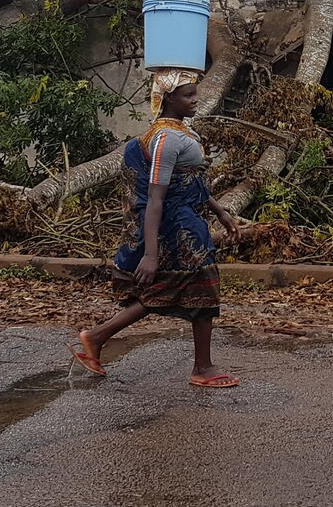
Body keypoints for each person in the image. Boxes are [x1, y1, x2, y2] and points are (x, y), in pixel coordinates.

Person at [70, 69, 242, 388]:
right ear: (168, 99)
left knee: (174, 289)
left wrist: (220, 211)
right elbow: (155, 197)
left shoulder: (179, 130)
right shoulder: (166, 138)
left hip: (186, 223)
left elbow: (190, 179)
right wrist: (150, 255)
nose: (195, 100)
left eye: (195, 93)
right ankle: (202, 368)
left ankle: (96, 337)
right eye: (188, 95)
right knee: (197, 288)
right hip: (179, 230)